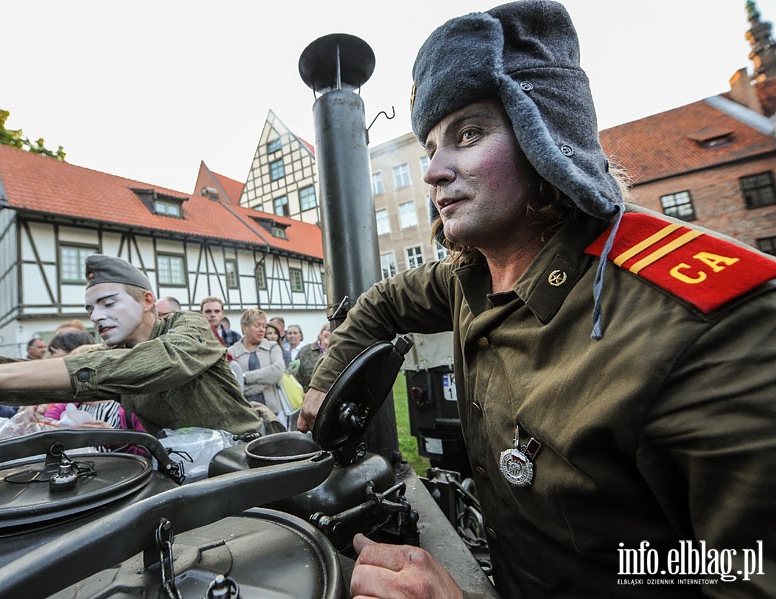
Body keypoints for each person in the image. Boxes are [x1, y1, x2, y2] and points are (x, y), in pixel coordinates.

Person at [298, 2, 776, 597]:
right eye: (431, 148)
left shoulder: (701, 327)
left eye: (468, 135)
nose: (434, 172)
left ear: (543, 135)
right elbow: (380, 304)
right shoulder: (469, 276)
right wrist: (327, 379)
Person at [0, 254, 265, 438]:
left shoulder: (188, 327)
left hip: (249, 459)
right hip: (189, 473)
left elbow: (158, 362)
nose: (96, 317)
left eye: (109, 303)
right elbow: (9, 367)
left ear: (148, 301)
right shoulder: (109, 354)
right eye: (90, 308)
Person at [228, 309, 285, 417]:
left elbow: (277, 371)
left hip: (273, 412)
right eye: (257, 325)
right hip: (245, 413)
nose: (261, 330)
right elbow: (233, 384)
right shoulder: (231, 352)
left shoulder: (272, 346)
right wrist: (265, 383)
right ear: (245, 328)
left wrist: (244, 377)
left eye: (264, 326)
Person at [293, 322, 330, 393]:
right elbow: (295, 375)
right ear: (321, 332)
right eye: (328, 330)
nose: (330, 333)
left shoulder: (338, 353)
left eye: (334, 331)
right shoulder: (305, 350)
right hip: (305, 395)